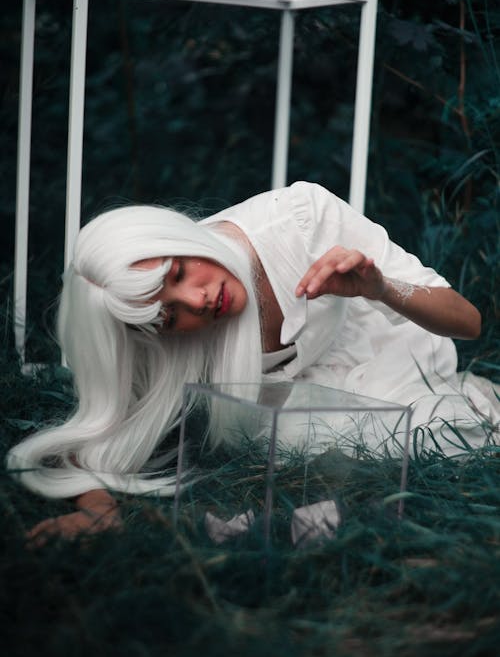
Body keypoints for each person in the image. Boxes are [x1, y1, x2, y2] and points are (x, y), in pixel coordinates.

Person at [7, 181, 498, 543]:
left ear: (177, 237)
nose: (196, 300)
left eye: (179, 271)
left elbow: (468, 321)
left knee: (438, 430)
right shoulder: (147, 332)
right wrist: (98, 510)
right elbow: (94, 439)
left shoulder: (301, 220)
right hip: (295, 415)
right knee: (296, 444)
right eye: (169, 315)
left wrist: (379, 288)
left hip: (391, 361)